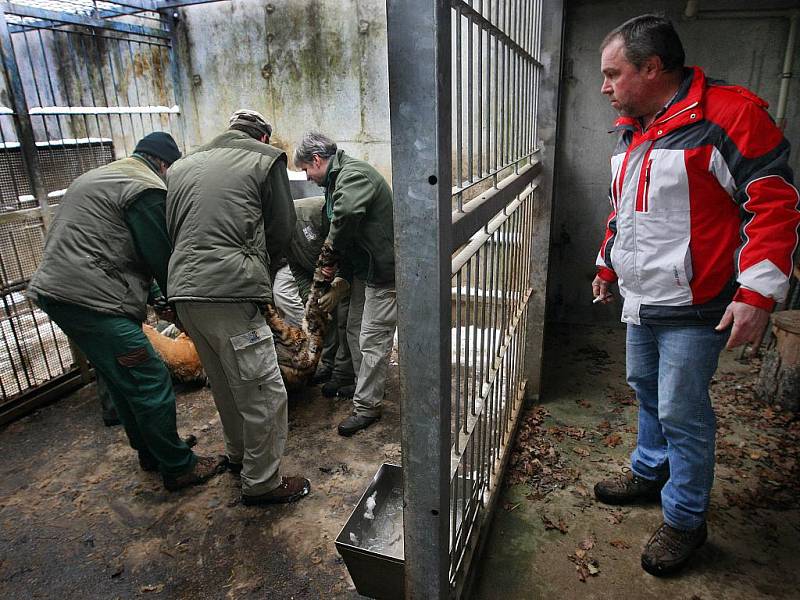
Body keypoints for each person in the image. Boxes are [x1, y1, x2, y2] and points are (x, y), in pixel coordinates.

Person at [591, 15, 800, 577]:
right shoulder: (635, 125)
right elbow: (626, 209)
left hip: (697, 302)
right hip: (643, 296)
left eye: (613, 74)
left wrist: (757, 292)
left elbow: (773, 203)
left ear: (652, 67)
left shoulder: (728, 115)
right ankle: (649, 469)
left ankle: (685, 518)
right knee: (645, 388)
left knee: (683, 410)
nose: (605, 87)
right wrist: (607, 267)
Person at [27, 132, 225, 491]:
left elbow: (125, 250)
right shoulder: (146, 188)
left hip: (60, 292)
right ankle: (179, 467)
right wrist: (182, 309)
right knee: (149, 378)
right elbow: (162, 258)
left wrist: (159, 300)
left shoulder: (103, 176)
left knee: (120, 378)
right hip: (92, 299)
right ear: (164, 164)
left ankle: (153, 451)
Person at [166, 109, 310, 505]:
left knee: (227, 385)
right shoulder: (265, 159)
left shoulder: (181, 165)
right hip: (230, 293)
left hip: (184, 292)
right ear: (263, 137)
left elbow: (173, 229)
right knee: (264, 392)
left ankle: (238, 456)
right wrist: (260, 274)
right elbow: (282, 228)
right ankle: (262, 482)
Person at [294, 132, 396, 436]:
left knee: (372, 339)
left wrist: (327, 259)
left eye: (305, 170)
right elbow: (353, 236)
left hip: (383, 273)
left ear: (316, 160)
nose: (307, 177)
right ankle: (361, 384)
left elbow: (347, 217)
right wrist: (340, 277)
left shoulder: (353, 175)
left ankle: (367, 407)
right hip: (366, 270)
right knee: (354, 327)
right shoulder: (337, 180)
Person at [287, 195, 355, 395]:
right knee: (324, 317)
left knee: (346, 321)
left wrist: (339, 284)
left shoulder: (313, 214)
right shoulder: (279, 234)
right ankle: (328, 364)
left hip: (347, 271)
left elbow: (346, 246)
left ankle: (344, 373)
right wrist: (311, 298)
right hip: (319, 275)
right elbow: (296, 268)